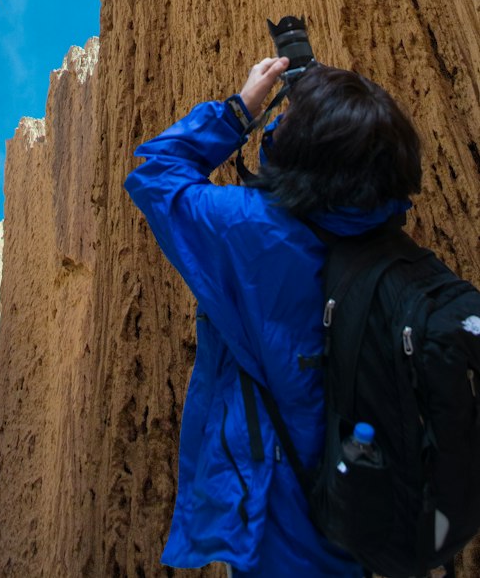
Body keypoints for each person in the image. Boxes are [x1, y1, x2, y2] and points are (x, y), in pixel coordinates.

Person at [124, 56, 423, 578]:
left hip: (285, 520)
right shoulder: (389, 235)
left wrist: (241, 111)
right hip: (365, 506)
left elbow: (157, 173)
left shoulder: (255, 231)